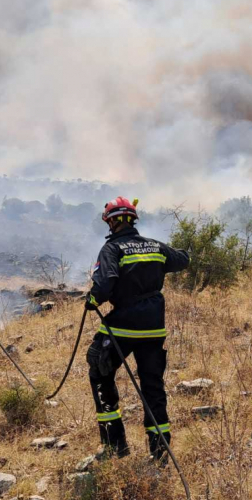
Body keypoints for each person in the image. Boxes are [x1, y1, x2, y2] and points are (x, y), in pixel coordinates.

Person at [85, 196, 190, 462]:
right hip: (154, 328)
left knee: (99, 370)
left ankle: (114, 444)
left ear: (112, 222)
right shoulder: (155, 246)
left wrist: (93, 298)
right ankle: (160, 450)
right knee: (153, 386)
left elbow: (105, 284)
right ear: (133, 220)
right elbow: (182, 260)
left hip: (123, 327)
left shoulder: (112, 249)